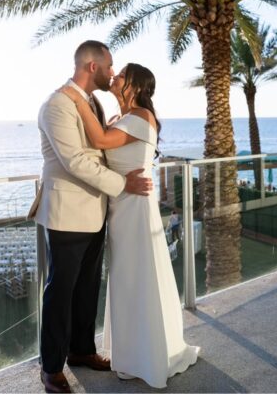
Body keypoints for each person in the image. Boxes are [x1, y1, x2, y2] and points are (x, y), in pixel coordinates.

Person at [59, 62, 200, 388]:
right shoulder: (117, 120)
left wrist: (76, 96)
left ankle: (147, 354)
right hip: (119, 207)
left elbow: (100, 141)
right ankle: (133, 351)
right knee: (124, 278)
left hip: (136, 207)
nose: (115, 76)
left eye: (122, 74)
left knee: (138, 276)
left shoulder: (141, 116)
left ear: (135, 85)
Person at [31, 40, 152, 394]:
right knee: (60, 293)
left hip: (97, 210)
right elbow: (75, 162)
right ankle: (51, 368)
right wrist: (123, 184)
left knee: (87, 288)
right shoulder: (57, 104)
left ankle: (82, 350)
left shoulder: (93, 102)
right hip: (67, 214)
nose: (113, 72)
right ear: (92, 66)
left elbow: (101, 147)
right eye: (110, 65)